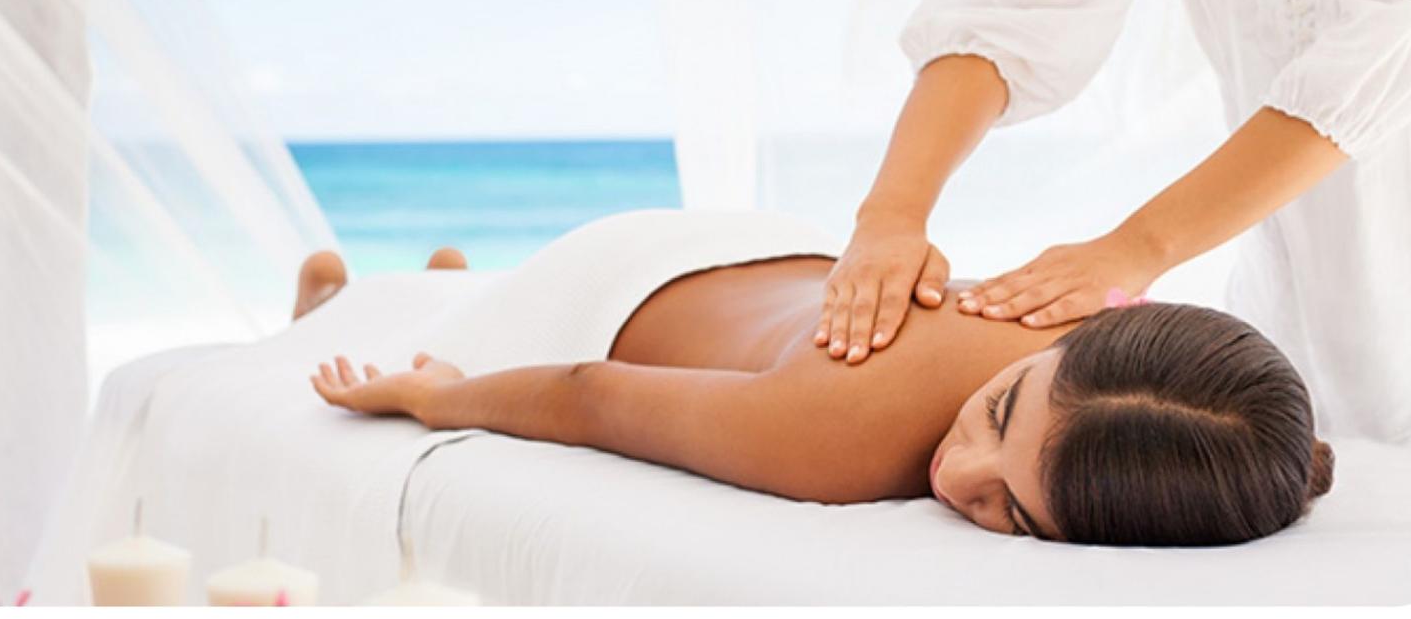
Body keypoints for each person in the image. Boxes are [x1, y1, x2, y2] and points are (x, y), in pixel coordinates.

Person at [296, 209, 1334, 547]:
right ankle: (363, 310)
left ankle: (437, 284)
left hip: (769, 251)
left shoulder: (1123, 341)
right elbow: (587, 390)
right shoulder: (832, 439)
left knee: (452, 306)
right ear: (1096, 330)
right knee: (435, 352)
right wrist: (435, 399)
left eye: (1008, 511)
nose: (956, 472)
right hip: (611, 284)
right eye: (996, 412)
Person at [818, 0, 1411, 445]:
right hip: (1290, 300)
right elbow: (1018, 14)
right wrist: (892, 213)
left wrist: (1138, 247)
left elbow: (1400, 42)